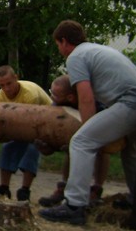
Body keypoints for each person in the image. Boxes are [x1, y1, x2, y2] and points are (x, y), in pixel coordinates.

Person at [39, 20, 136, 225]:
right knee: (131, 151)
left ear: (63, 41)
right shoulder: (94, 50)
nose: (59, 49)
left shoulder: (76, 56)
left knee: (81, 141)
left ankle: (74, 206)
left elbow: (85, 98)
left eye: (58, 44)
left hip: (131, 102)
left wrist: (87, 130)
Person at [38, 75, 121, 208]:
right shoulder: (58, 104)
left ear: (70, 97)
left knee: (103, 149)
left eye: (55, 94)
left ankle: (95, 190)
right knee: (70, 148)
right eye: (51, 92)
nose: (52, 97)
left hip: (99, 121)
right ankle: (64, 187)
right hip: (75, 131)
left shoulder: (97, 105)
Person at [0, 65, 51, 201]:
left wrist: (6, 134)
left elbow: (31, 127)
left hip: (43, 124)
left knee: (32, 149)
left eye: (9, 83)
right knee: (8, 147)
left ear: (16, 78)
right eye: (2, 85)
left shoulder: (29, 95)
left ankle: (25, 190)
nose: (7, 89)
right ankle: (4, 188)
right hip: (20, 126)